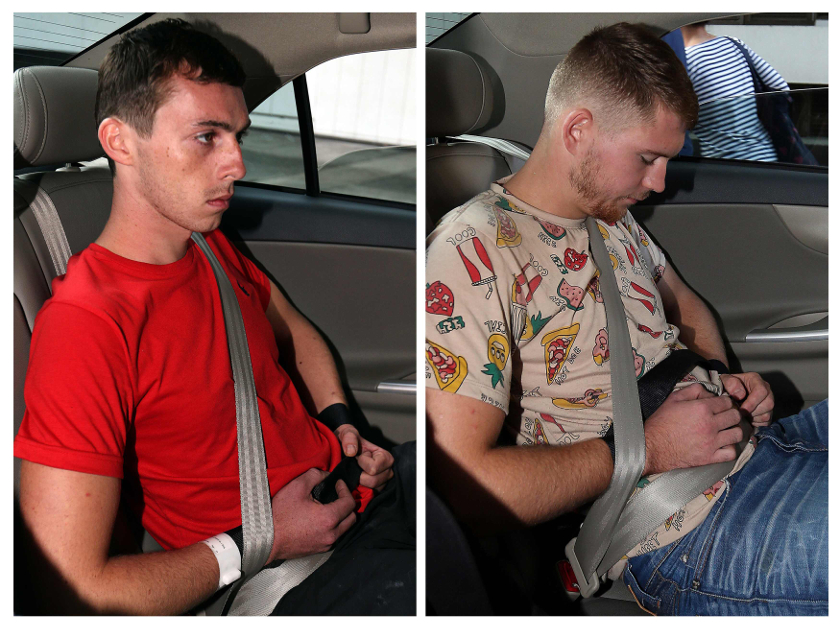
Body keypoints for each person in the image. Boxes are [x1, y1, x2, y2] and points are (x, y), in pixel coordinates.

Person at [15, 19, 414, 616]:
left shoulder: (205, 242)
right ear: (121, 142)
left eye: (238, 136)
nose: (238, 164)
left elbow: (295, 333)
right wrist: (259, 540)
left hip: (355, 498)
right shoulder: (88, 325)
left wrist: (340, 424)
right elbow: (73, 584)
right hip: (283, 573)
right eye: (207, 137)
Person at [425, 22, 826, 616]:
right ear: (579, 129)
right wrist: (652, 450)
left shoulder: (608, 213)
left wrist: (721, 383)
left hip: (752, 448)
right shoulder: (470, 251)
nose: (660, 182)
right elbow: (464, 486)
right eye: (647, 157)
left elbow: (682, 303)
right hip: (677, 526)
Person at [680, 22, 788, 161]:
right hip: (767, 158)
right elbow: (781, 86)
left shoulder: (686, 63)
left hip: (728, 167)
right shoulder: (733, 43)